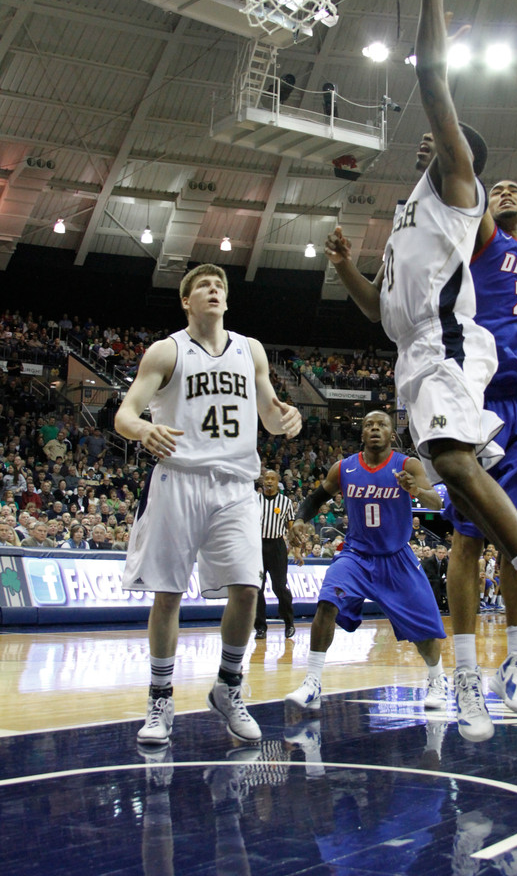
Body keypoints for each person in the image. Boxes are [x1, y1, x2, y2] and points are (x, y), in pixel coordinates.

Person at [323, 0, 517, 682]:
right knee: (455, 482)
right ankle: (471, 672)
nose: (432, 136)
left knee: (447, 458)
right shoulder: (407, 212)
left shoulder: (455, 183)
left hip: (451, 348)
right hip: (413, 355)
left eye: (446, 134)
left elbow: (431, 76)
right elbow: (378, 314)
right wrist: (344, 270)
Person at [115, 263, 302, 748]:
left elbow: (270, 414)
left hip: (238, 483)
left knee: (247, 589)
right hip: (179, 479)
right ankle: (160, 698)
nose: (214, 290)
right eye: (204, 286)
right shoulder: (167, 350)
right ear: (186, 301)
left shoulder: (250, 349)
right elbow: (125, 414)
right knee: (169, 594)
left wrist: (288, 419)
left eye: (220, 286)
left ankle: (228, 686)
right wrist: (143, 430)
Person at [285, 411, 447, 711]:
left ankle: (437, 680)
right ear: (362, 434)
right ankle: (312, 681)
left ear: (391, 434)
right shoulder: (344, 468)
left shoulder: (407, 465)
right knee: (326, 602)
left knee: (424, 628)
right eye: (369, 425)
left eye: (381, 425)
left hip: (396, 556)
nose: (375, 428)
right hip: (355, 555)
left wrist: (416, 490)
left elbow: (437, 503)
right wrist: (298, 520)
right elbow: (314, 499)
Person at [254, 469, 297, 640]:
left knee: (280, 587)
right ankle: (260, 627)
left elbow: (291, 529)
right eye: (267, 478)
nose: (269, 481)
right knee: (258, 588)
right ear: (262, 481)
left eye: (272, 478)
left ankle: (289, 623)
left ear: (278, 481)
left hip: (277, 546)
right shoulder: (254, 501)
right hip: (257, 546)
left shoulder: (285, 502)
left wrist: (297, 551)